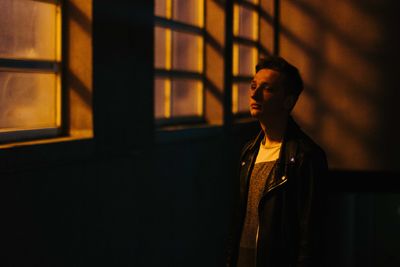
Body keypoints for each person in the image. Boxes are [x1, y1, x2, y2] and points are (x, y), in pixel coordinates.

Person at [226, 56, 328, 267]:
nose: (254, 94)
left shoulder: (305, 156)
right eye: (253, 86)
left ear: (288, 101)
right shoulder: (249, 152)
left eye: (268, 89)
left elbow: (311, 233)